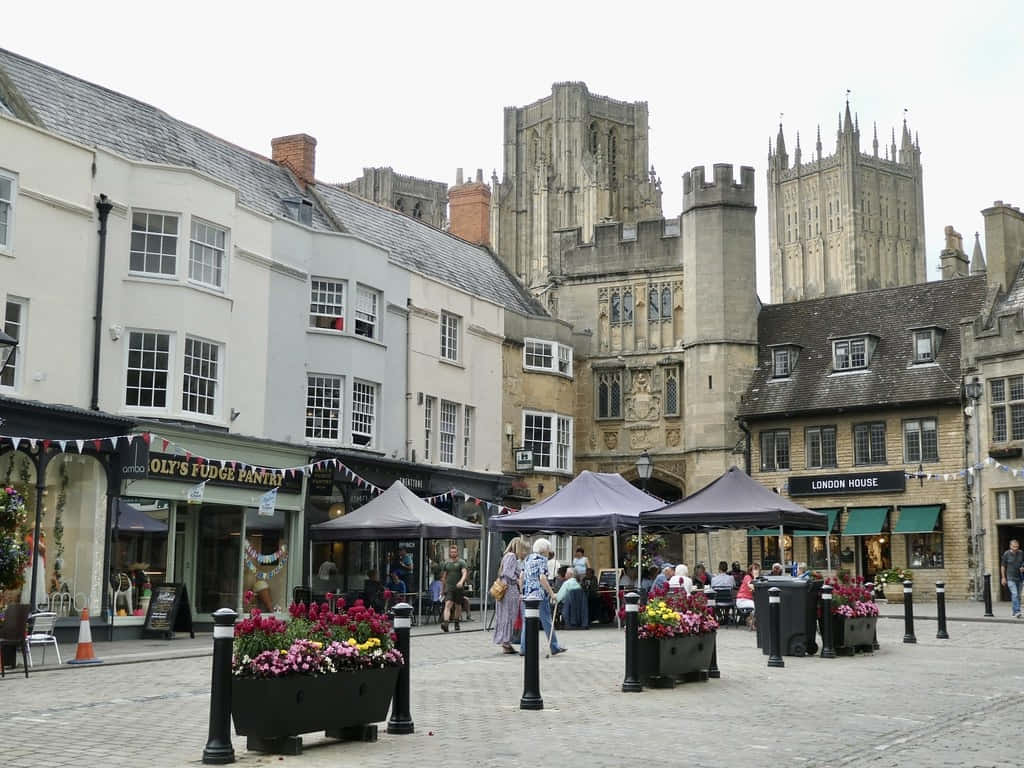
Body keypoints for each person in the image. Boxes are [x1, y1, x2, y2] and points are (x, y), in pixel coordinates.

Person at [519, 538, 566, 656]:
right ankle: (554, 647)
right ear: (544, 550)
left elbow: (521, 576)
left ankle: (524, 648)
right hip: (539, 595)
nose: (548, 552)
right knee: (547, 621)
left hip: (527, 595)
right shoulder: (542, 560)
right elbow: (542, 578)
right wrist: (552, 594)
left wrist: (522, 591)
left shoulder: (528, 558)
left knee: (526, 621)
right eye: (548, 550)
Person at [493, 537, 527, 654]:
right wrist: (517, 579)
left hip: (505, 589)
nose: (524, 552)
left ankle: (505, 642)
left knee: (505, 616)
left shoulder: (507, 556)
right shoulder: (511, 556)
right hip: (509, 590)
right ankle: (506, 642)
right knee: (509, 616)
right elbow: (507, 573)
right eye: (523, 549)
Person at [441, 544, 468, 632]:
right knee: (448, 604)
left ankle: (456, 622)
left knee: (458, 606)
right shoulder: (446, 563)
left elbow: (464, 573)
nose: (453, 553)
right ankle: (446, 623)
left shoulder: (461, 562)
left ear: (457, 553)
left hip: (459, 588)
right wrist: (442, 589)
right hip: (449, 588)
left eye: (454, 552)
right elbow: (444, 577)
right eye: (451, 552)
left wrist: (461, 581)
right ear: (449, 553)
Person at [1000, 538, 1024, 618]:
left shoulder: (1021, 553)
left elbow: (1023, 562)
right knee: (1015, 594)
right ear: (1010, 546)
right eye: (1014, 547)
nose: (1015, 548)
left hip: (1020, 578)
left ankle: (1014, 612)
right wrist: (1003, 578)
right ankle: (1017, 611)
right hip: (1010, 577)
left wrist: (1023, 567)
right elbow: (1003, 566)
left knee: (1018, 596)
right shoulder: (1006, 554)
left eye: (1017, 547)